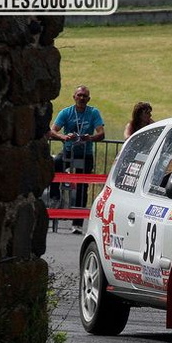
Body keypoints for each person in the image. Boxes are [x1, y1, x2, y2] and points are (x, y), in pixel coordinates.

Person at [48, 85, 105, 234]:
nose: (81, 98)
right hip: (68, 150)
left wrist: (89, 138)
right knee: (54, 165)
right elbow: (52, 130)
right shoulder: (66, 112)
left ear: (88, 99)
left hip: (85, 153)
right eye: (79, 95)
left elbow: (101, 133)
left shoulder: (93, 113)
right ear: (74, 97)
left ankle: (77, 223)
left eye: (84, 96)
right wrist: (63, 137)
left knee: (82, 186)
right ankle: (55, 197)